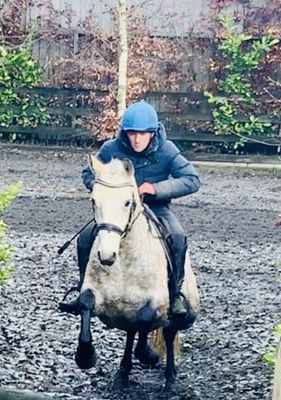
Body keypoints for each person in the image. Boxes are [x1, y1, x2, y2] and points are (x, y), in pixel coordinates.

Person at [60, 100, 200, 321]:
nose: (136, 139)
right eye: (132, 133)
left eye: (143, 134)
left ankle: (176, 294)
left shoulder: (166, 150)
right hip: (118, 210)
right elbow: (89, 174)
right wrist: (108, 190)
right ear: (125, 132)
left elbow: (192, 179)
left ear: (153, 133)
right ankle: (82, 289)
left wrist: (155, 189)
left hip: (155, 207)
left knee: (178, 236)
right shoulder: (111, 149)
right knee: (85, 238)